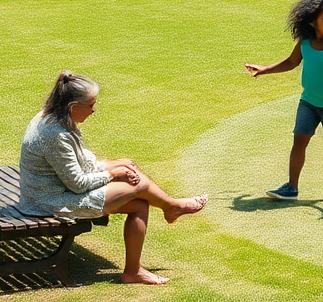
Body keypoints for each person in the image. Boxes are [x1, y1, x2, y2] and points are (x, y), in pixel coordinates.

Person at [17, 71, 207, 286]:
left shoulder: (51, 116)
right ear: (73, 106)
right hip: (48, 202)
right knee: (139, 183)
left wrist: (110, 164)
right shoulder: (55, 134)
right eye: (90, 105)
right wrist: (111, 173)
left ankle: (133, 272)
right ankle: (172, 206)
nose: (93, 110)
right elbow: (78, 184)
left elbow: (73, 164)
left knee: (139, 201)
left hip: (56, 190)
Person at [246, 0, 323, 200]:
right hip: (309, 103)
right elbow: (291, 62)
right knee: (299, 142)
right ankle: (291, 188)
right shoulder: (304, 43)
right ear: (312, 22)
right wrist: (265, 69)